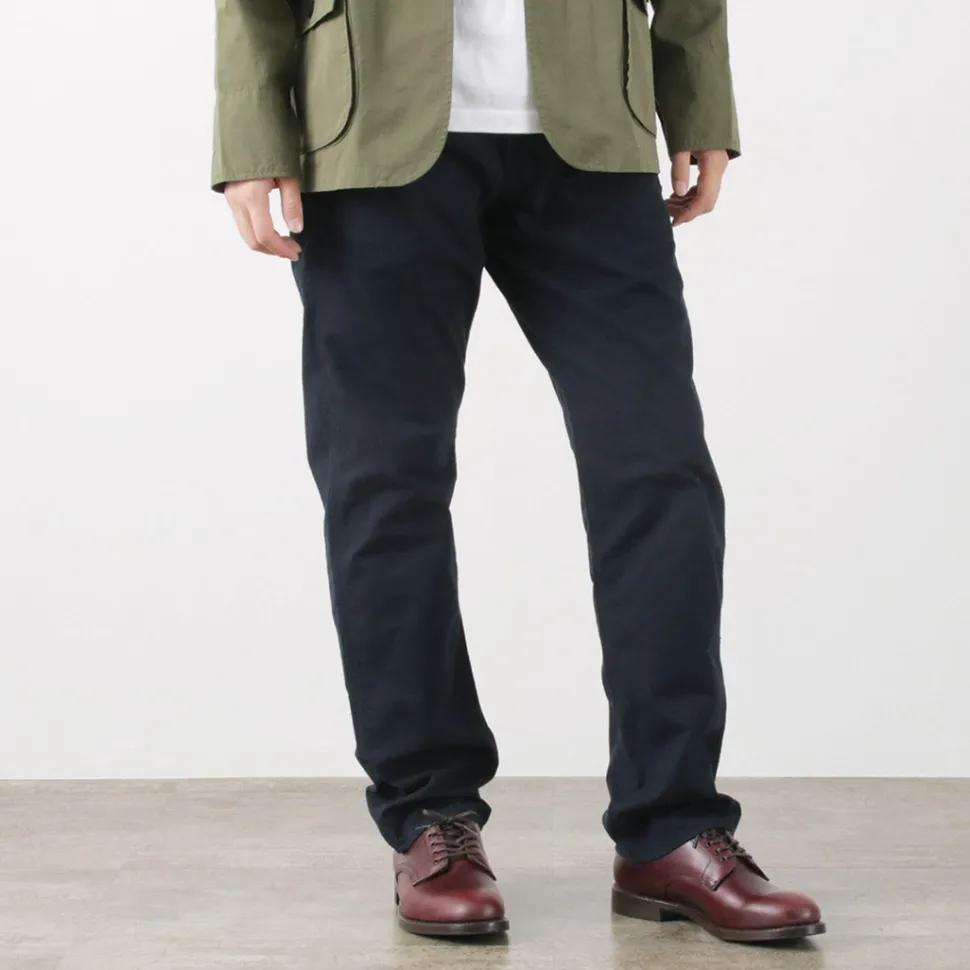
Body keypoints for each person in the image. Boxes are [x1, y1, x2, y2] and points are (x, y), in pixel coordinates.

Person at [212, 0, 825, 945]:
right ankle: (429, 817)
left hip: (592, 127)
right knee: (385, 484)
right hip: (370, 130)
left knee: (657, 470)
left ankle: (672, 827)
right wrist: (254, 133)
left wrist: (699, 95)